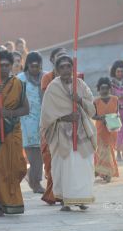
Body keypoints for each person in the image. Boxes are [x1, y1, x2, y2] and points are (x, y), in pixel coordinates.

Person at [40, 55, 97, 211]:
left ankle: (82, 198)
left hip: (81, 132)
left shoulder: (81, 84)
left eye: (68, 66)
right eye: (62, 67)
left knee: (82, 165)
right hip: (61, 133)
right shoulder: (53, 87)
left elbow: (92, 109)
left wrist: (79, 100)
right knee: (65, 166)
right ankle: (66, 200)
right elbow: (46, 115)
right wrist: (66, 117)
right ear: (57, 70)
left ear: (73, 68)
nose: (66, 70)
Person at [0, 51, 29, 217]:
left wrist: (9, 113)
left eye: (6, 65)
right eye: (0, 65)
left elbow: (26, 109)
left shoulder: (18, 84)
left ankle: (14, 201)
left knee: (17, 166)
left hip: (12, 130)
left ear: (11, 66)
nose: (3, 68)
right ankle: (1, 205)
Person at [41, 47, 68, 205]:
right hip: (52, 122)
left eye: (65, 56)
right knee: (52, 159)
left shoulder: (76, 77)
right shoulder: (47, 78)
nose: (63, 60)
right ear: (52, 60)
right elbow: (48, 101)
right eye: (59, 57)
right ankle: (53, 193)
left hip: (71, 125)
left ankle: (68, 193)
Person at [17, 52, 45, 193]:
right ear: (27, 65)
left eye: (37, 66)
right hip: (27, 121)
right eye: (32, 66)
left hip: (44, 120)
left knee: (42, 155)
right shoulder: (20, 79)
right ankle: (36, 183)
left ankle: (33, 178)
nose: (35, 69)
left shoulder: (46, 77)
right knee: (34, 156)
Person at [93, 77, 119, 183]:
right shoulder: (96, 101)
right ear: (99, 89)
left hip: (112, 128)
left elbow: (117, 112)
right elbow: (93, 115)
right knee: (103, 151)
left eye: (106, 88)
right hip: (100, 129)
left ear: (110, 88)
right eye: (102, 88)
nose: (104, 90)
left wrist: (113, 118)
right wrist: (102, 118)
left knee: (110, 150)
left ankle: (103, 171)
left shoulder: (115, 99)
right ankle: (106, 173)